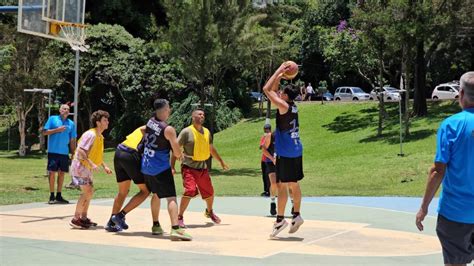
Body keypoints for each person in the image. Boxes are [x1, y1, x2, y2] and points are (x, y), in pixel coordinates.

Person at [416, 71, 474, 266]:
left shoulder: (451, 125)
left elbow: (437, 171)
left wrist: (424, 207)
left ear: (461, 93)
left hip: (456, 213)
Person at [263, 62, 304, 238]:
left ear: (286, 96)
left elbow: (266, 89)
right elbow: (273, 90)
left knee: (281, 186)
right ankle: (296, 215)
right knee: (293, 183)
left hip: (286, 152)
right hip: (296, 149)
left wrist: (279, 69)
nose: (279, 94)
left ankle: (280, 219)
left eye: (282, 93)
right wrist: (279, 79)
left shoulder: (283, 106)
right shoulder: (293, 106)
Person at [141, 99, 192, 241]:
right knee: (171, 197)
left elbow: (144, 132)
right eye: (168, 108)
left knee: (156, 194)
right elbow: (176, 153)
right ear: (163, 110)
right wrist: (180, 154)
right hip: (160, 168)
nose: (170, 110)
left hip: (146, 166)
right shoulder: (168, 129)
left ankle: (156, 225)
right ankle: (175, 228)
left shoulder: (150, 121)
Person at [171, 108, 229, 229]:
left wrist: (221, 162)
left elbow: (211, 149)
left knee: (210, 192)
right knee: (190, 190)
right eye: (199, 114)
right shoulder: (186, 132)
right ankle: (179, 217)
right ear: (193, 117)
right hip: (188, 167)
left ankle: (209, 211)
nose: (202, 116)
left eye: (203, 114)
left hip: (202, 167)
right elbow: (175, 148)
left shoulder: (207, 132)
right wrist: (172, 166)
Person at [106, 126, 162, 235]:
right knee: (145, 191)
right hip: (130, 155)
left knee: (123, 192)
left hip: (119, 152)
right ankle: (120, 216)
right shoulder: (154, 130)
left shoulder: (147, 131)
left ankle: (111, 223)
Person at [69, 110, 113, 229]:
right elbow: (81, 150)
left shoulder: (100, 136)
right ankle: (75, 218)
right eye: (105, 120)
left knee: (90, 191)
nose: (107, 122)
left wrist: (105, 166)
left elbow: (96, 155)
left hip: (87, 168)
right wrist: (91, 163)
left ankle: (83, 218)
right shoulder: (91, 135)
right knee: (87, 191)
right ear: (98, 123)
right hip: (80, 167)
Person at [42, 104, 77, 204]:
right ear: (60, 110)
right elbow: (45, 132)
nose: (66, 110)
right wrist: (57, 130)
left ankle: (59, 195)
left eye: (68, 109)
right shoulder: (52, 119)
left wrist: (73, 152)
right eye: (64, 109)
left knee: (62, 173)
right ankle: (51, 195)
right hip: (53, 151)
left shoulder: (71, 124)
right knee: (52, 173)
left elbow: (72, 139)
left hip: (64, 153)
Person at [261, 124, 278, 216]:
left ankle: (293, 205)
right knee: (273, 183)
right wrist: (272, 158)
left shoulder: (286, 136)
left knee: (288, 184)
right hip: (270, 161)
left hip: (282, 161)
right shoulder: (270, 136)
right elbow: (263, 149)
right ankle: (272, 203)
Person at [259, 125, 270, 197]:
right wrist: (263, 143)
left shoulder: (272, 137)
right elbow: (260, 147)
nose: (265, 130)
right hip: (263, 159)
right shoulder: (263, 137)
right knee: (264, 176)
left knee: (270, 176)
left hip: (270, 160)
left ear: (270, 129)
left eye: (267, 129)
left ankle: (272, 191)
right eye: (264, 129)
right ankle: (266, 190)